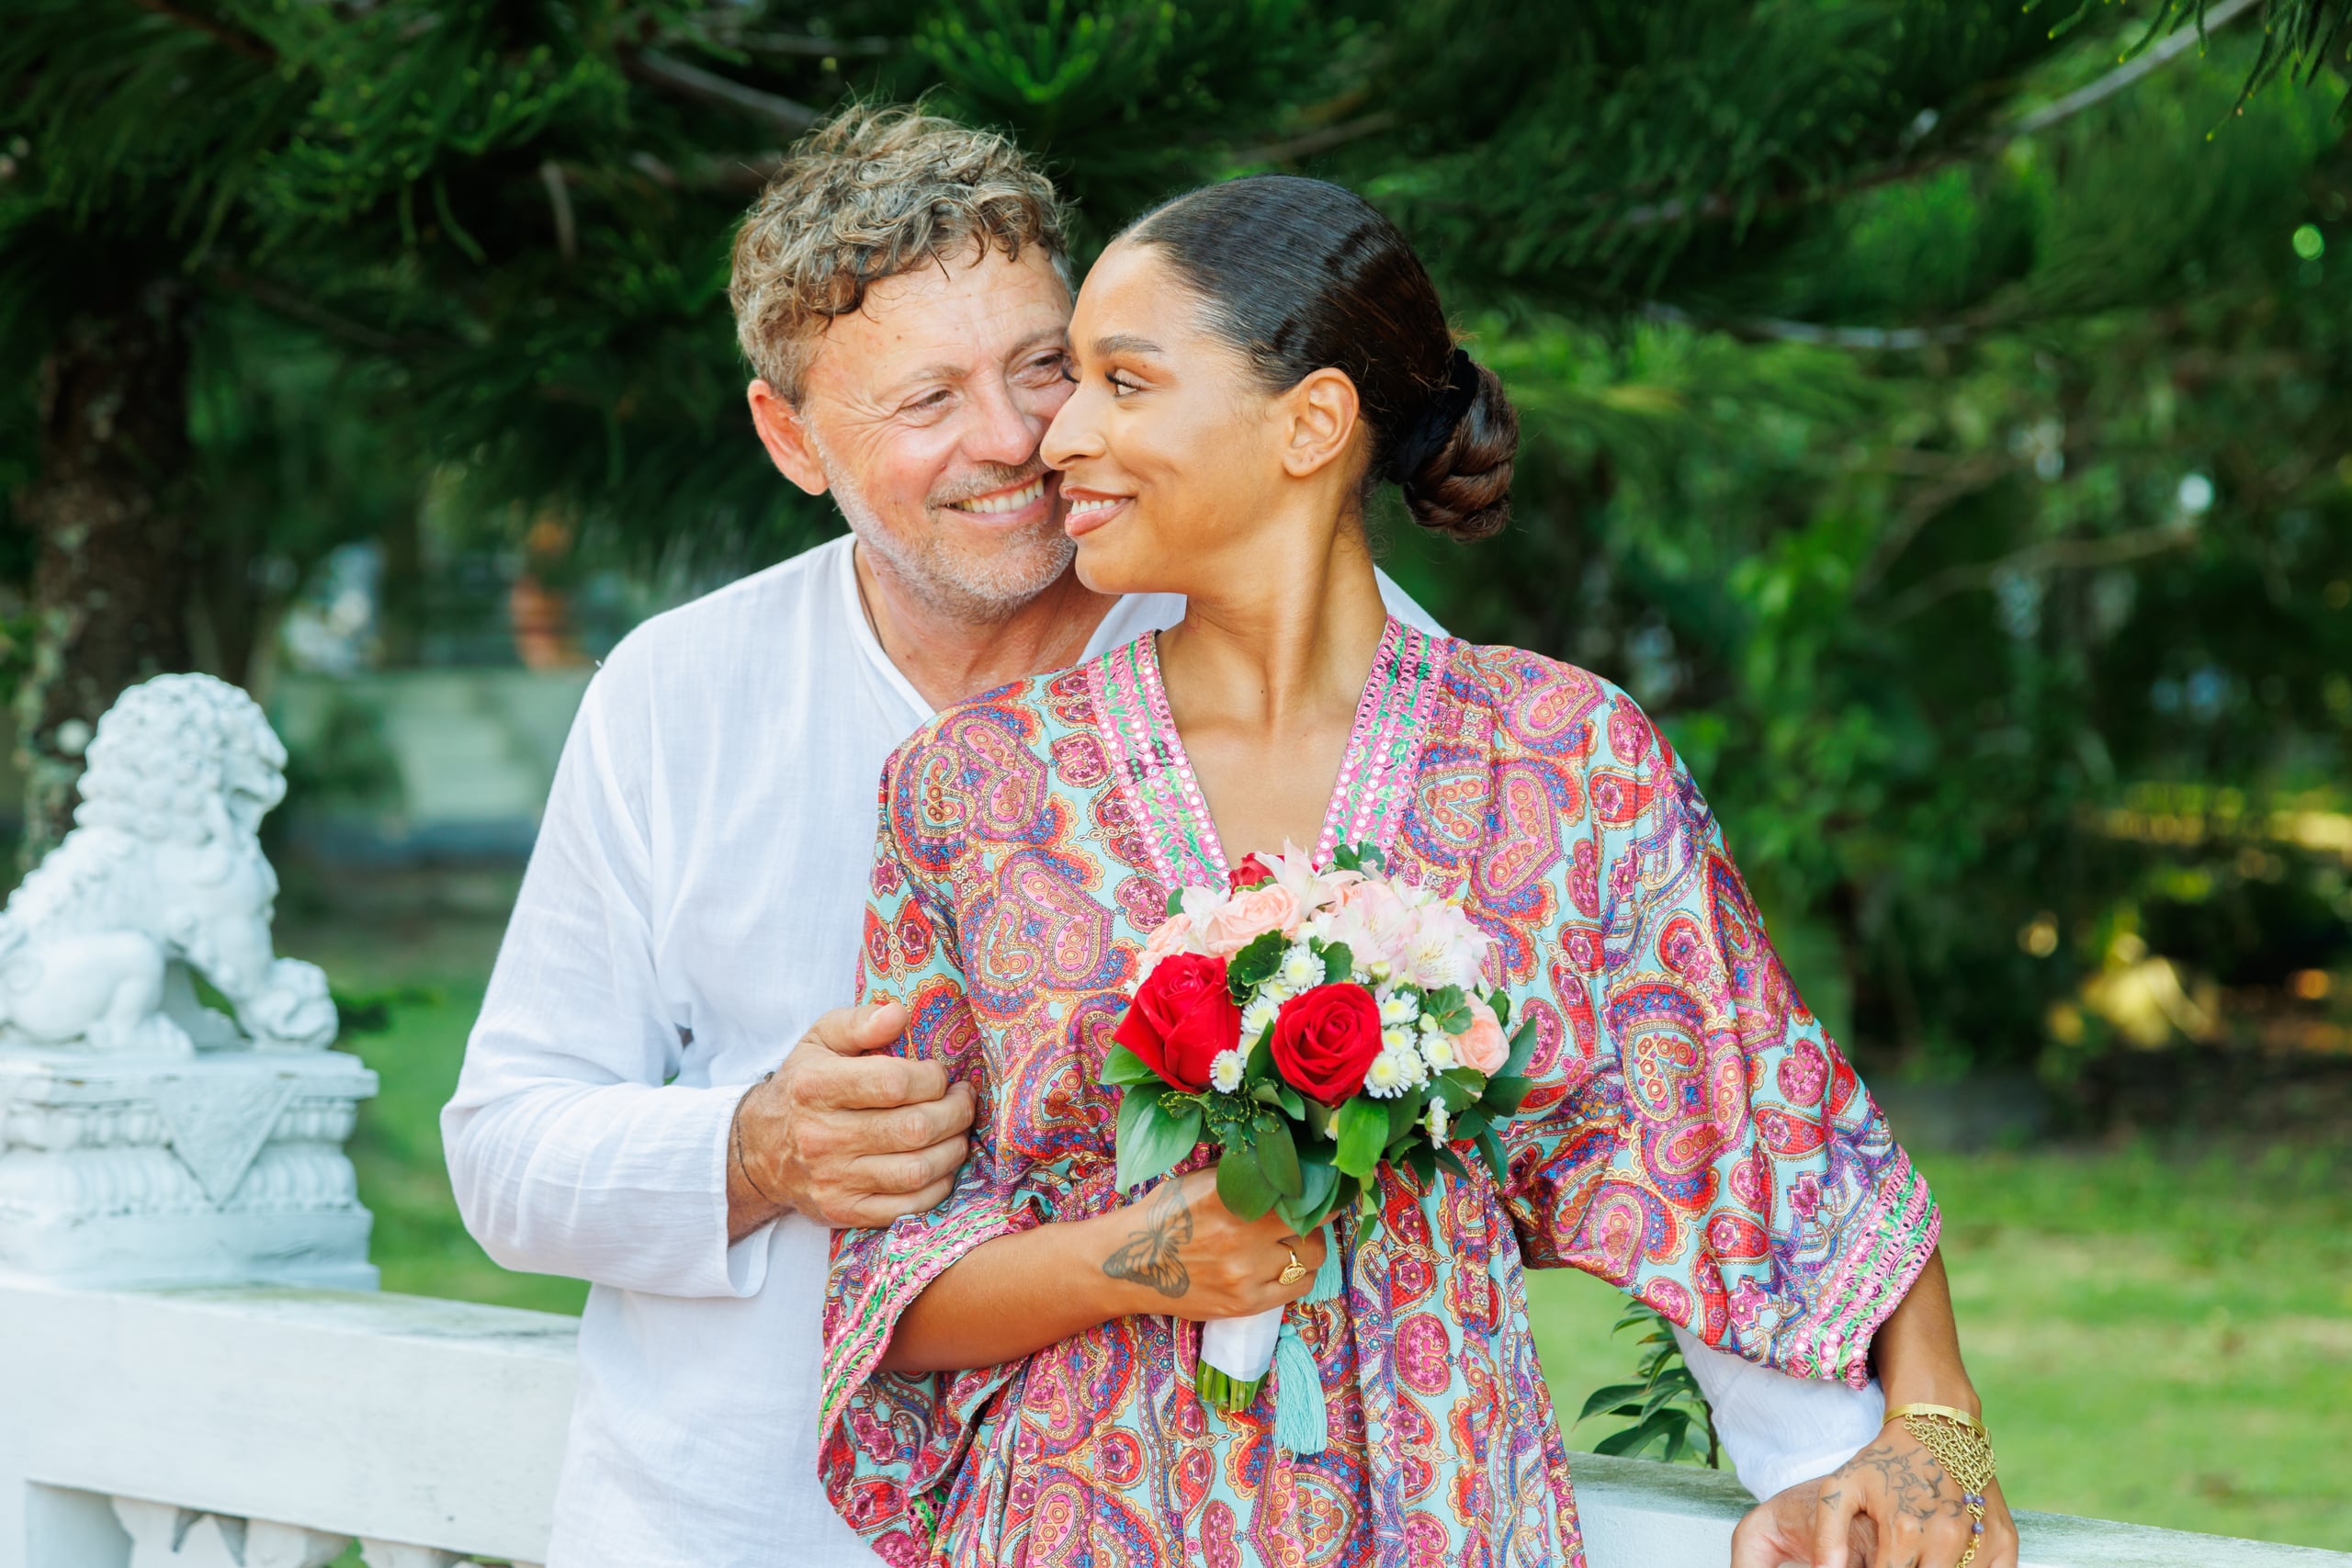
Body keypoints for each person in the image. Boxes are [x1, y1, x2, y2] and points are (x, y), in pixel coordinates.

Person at [820, 175, 2021, 1568]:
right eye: (1072, 381)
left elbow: (1770, 1136)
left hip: (1446, 1510)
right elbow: (889, 1291)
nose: (1059, 434)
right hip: (1082, 1523)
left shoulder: (1560, 760)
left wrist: (1935, 1424)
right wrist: (1138, 1257)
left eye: (1122, 382)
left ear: (1311, 423)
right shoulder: (975, 788)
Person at [440, 108, 1441, 1568]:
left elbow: (1635, 1056)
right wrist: (757, 1149)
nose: (1016, 439)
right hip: (728, 1528)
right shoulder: (677, 691)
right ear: (792, 438)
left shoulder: (1319, 653)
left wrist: (1826, 1443)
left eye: (1045, 366)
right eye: (926, 399)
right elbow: (502, 1153)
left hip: (1188, 1521)